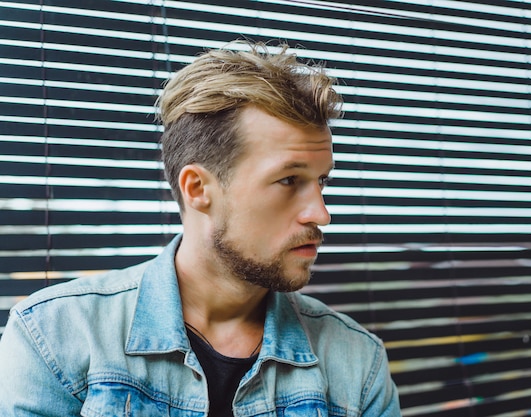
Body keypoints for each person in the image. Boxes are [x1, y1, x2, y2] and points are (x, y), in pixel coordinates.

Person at [0, 40, 401, 416]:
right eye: (289, 181)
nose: (320, 213)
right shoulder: (54, 336)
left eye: (321, 181)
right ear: (198, 189)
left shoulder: (357, 362)